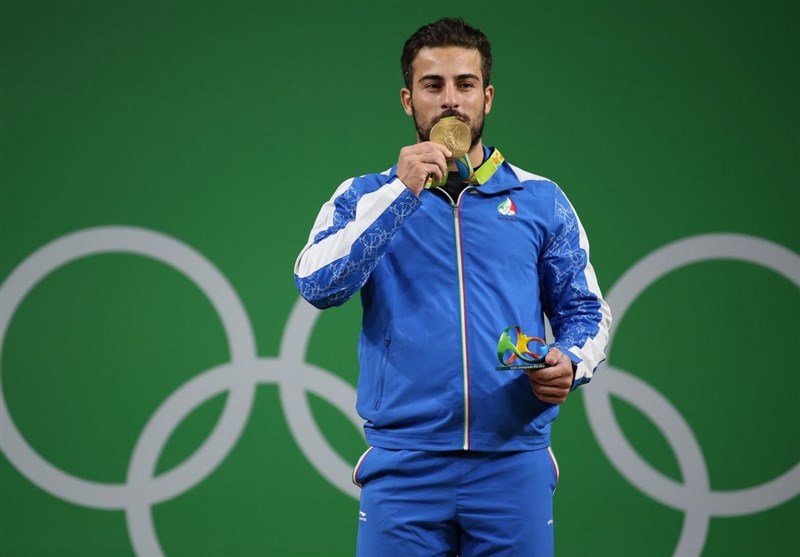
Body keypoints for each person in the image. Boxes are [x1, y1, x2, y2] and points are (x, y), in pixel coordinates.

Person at [293, 16, 612, 557]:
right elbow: (317, 284)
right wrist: (400, 193)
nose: (450, 100)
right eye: (432, 85)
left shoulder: (541, 200)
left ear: (487, 97)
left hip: (513, 462)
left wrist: (572, 361)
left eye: (465, 84)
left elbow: (586, 311)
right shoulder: (365, 196)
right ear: (408, 100)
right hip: (404, 463)